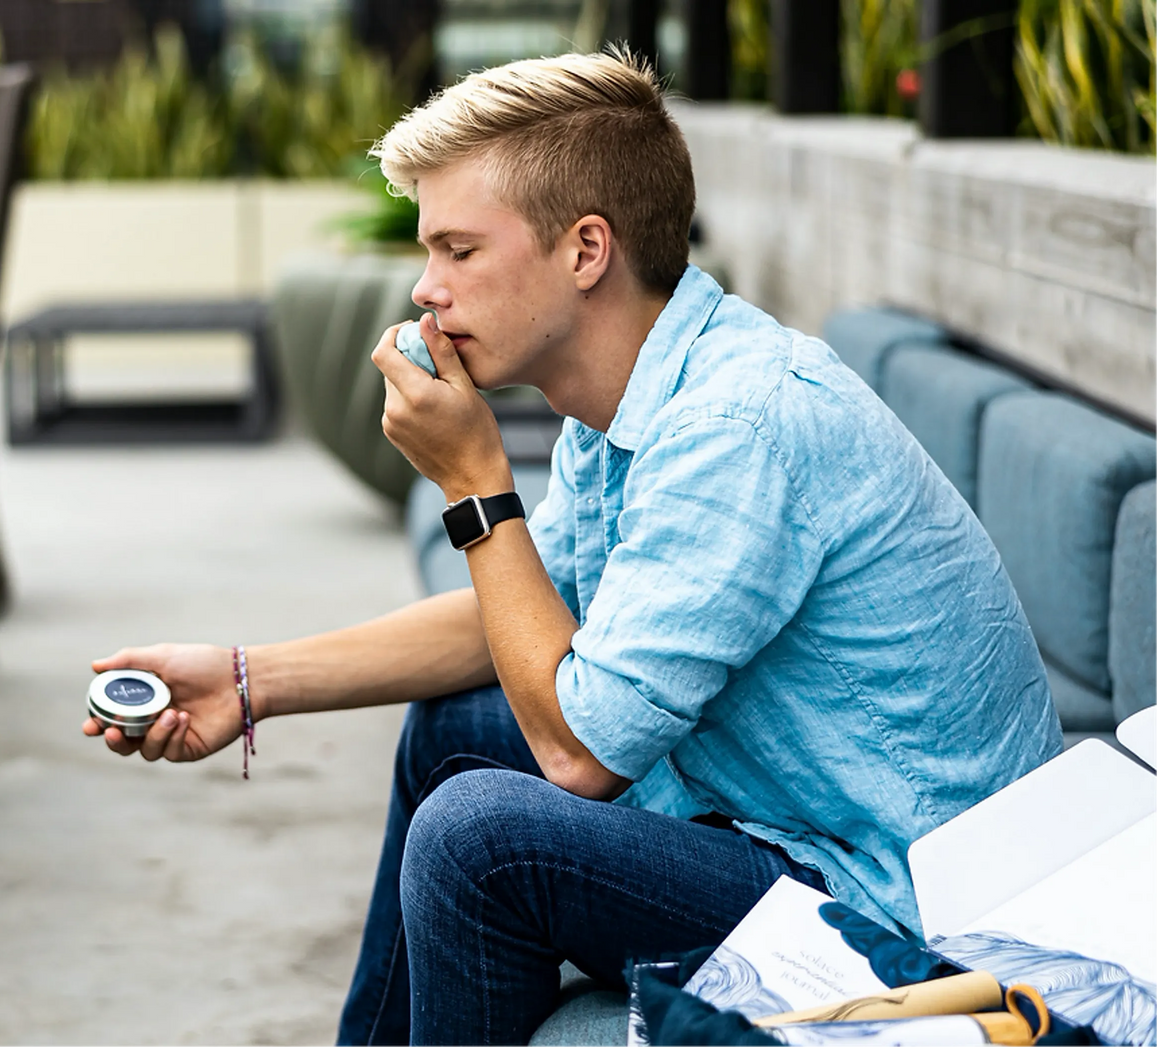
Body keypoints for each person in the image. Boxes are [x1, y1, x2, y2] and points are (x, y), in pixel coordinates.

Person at [82, 50, 1061, 1047]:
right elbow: (519, 606)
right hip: (782, 828)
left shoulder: (737, 425)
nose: (426, 291)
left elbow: (577, 754)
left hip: (909, 913)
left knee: (479, 840)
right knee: (452, 734)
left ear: (584, 250)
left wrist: (473, 484)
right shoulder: (628, 398)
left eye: (458, 251)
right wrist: (249, 682)